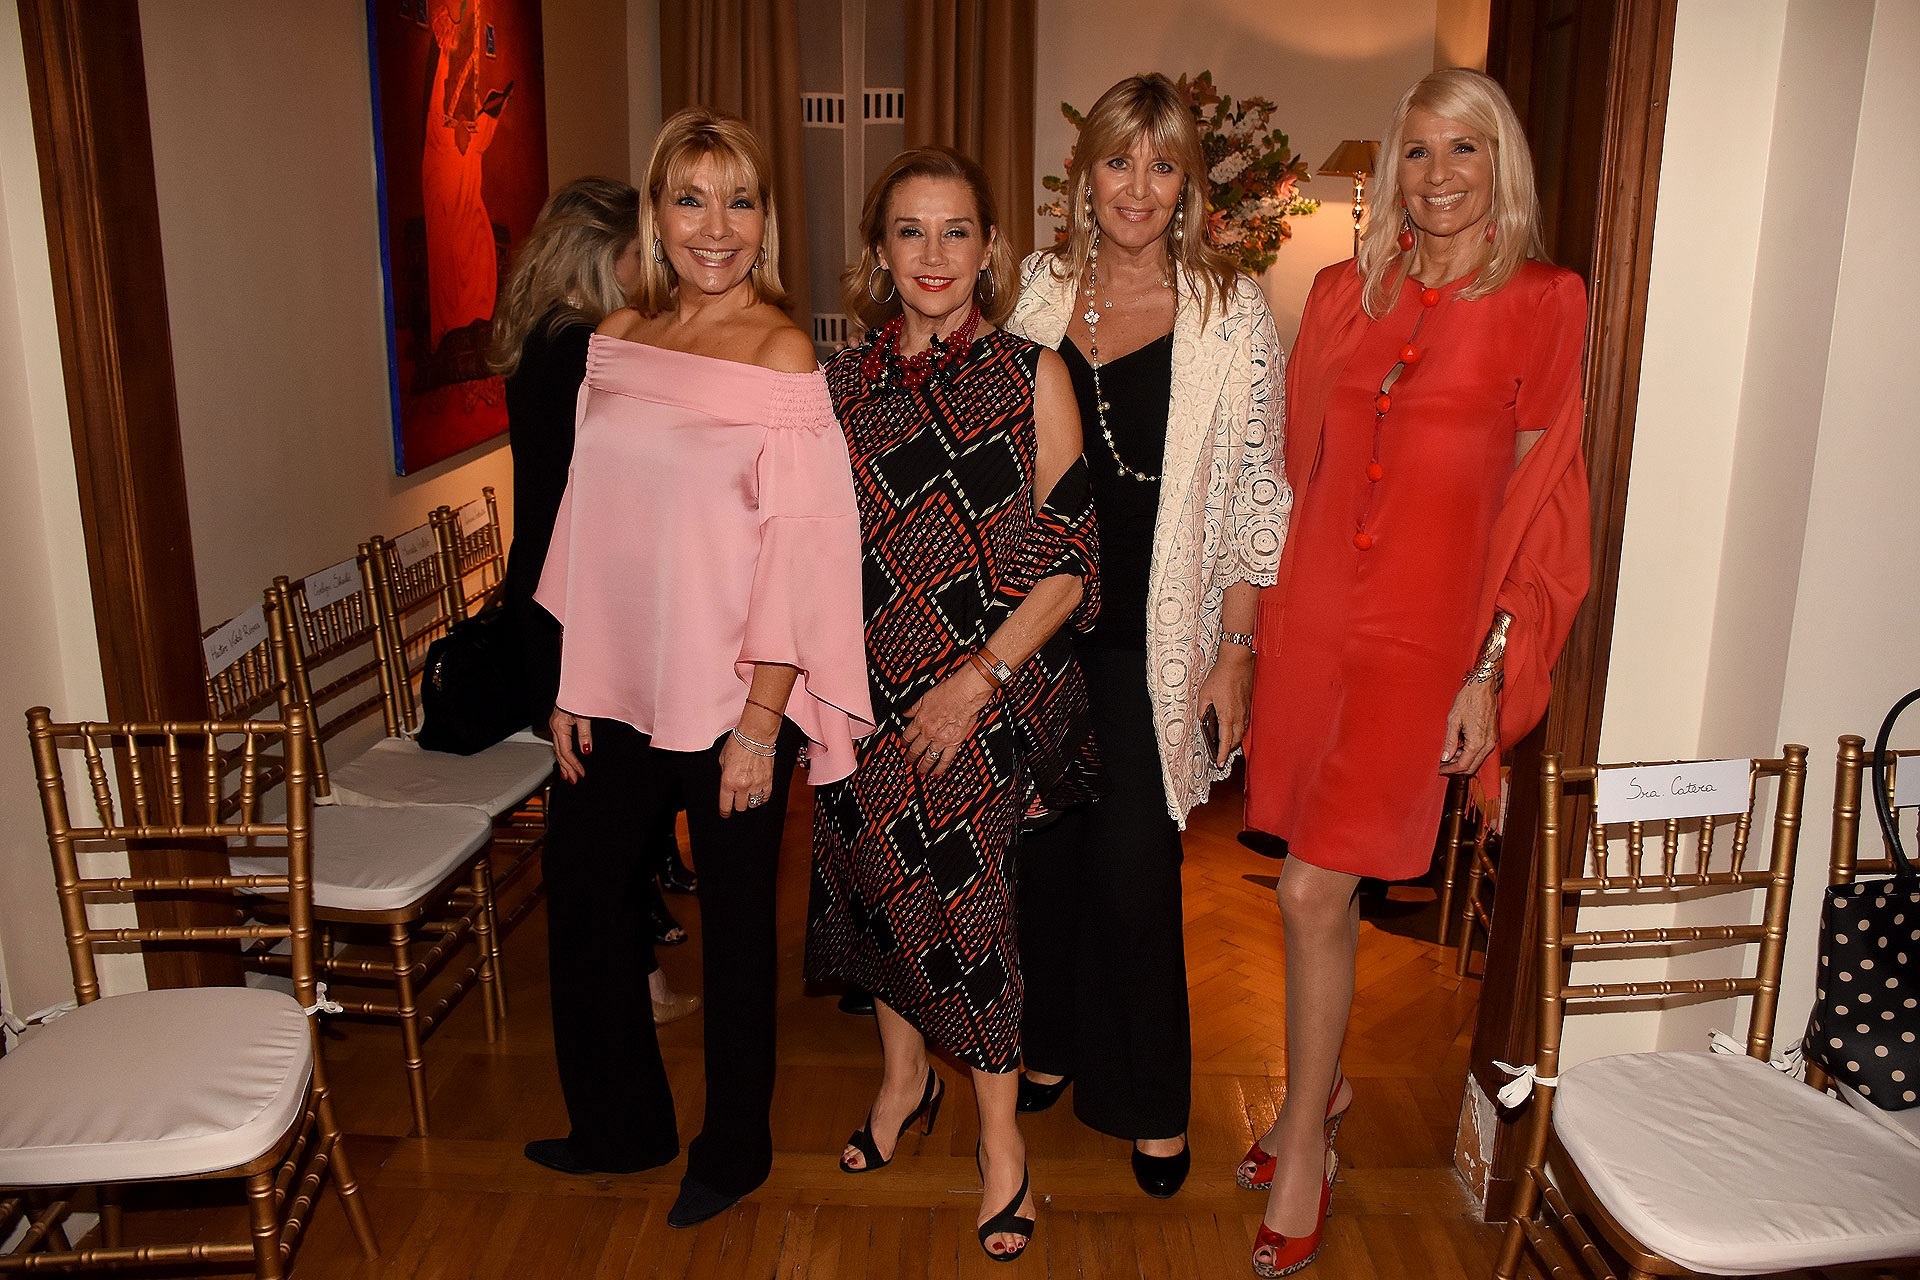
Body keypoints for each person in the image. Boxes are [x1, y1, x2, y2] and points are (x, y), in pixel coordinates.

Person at [1241, 68, 1591, 1276]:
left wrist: (1490, 663)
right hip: (1315, 626)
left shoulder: (1545, 301)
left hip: (1424, 645)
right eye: (1420, 150)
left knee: (1308, 891)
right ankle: (1322, 1091)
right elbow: (1300, 469)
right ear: (1394, 166)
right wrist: (1255, 632)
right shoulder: (1342, 293)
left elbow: (1543, 507)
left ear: (1503, 164)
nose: (1439, 175)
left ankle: (1304, 1139)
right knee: (1318, 881)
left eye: (1465, 149)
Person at [527, 108, 875, 1229]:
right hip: (617, 688)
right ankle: (618, 1124)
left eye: (739, 201)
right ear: (655, 213)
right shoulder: (618, 336)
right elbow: (587, 519)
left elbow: (804, 548)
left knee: (733, 931)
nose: (715, 227)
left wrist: (764, 720)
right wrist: (573, 679)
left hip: (733, 698)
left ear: (766, 219)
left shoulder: (782, 355)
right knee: (585, 899)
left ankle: (735, 1148)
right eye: (690, 199)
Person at [804, 146, 1098, 1263]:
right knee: (884, 899)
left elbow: (1071, 560)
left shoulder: (1035, 374)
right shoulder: (838, 386)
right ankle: (901, 1083)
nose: (934, 254)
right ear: (879, 252)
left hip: (982, 695)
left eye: (956, 230)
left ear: (989, 246)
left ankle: (1000, 1141)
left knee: (972, 922)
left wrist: (978, 679)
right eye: (910, 231)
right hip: (862, 697)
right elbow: (800, 546)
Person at [1004, 72, 1289, 1199]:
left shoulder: (1232, 309)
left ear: (1187, 187)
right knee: (1044, 856)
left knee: (1133, 867)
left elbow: (1259, 492)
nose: (1137, 186)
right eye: (1118, 161)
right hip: (1038, 626)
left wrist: (1236, 649)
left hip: (1150, 641)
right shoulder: (1036, 292)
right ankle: (1051, 1042)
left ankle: (1150, 1099)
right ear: (1086, 177)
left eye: (1162, 165)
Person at [490, 176, 698, 1013]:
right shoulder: (586, 352)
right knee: (606, 822)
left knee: (602, 815)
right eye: (640, 253)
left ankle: (637, 983)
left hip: (546, 594)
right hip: (579, 604)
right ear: (606, 256)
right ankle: (627, 993)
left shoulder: (540, 338)